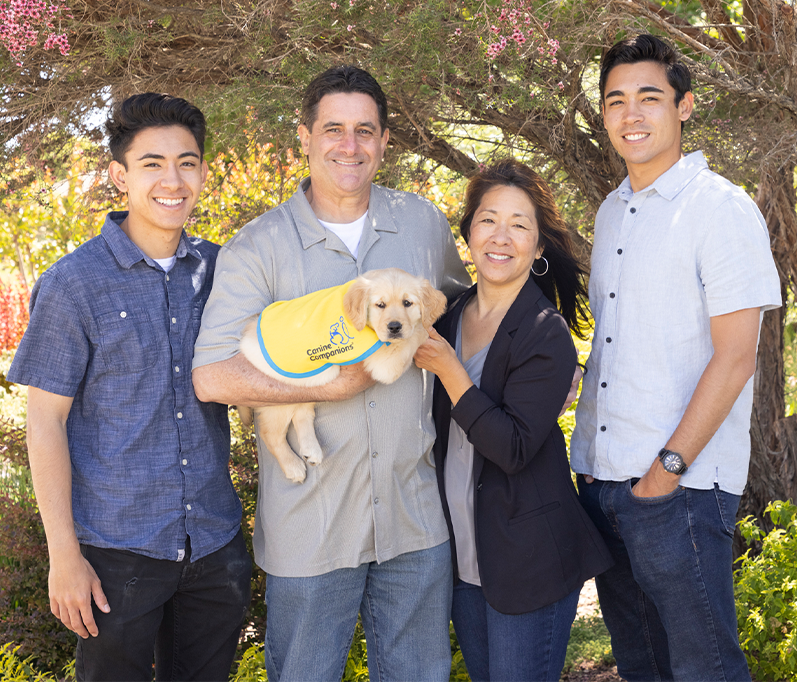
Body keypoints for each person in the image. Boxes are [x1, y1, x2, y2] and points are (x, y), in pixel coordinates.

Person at [191, 65, 472, 681]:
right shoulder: (257, 246)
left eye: (365, 131)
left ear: (385, 141)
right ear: (305, 136)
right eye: (334, 129)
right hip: (310, 526)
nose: (351, 146)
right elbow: (212, 376)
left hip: (413, 518)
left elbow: (464, 311)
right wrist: (326, 387)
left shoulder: (423, 225)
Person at [7, 94, 252, 681]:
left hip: (215, 545)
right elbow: (44, 421)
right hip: (117, 553)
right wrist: (63, 556)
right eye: (152, 164)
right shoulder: (73, 285)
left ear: (202, 171)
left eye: (187, 162)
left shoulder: (225, 272)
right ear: (119, 175)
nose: (173, 180)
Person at [570, 34, 782, 681]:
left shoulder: (720, 208)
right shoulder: (610, 214)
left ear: (683, 106)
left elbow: (736, 356)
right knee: (643, 669)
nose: (630, 114)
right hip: (602, 487)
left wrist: (663, 473)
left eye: (648, 97)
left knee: (704, 670)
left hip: (677, 491)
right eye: (615, 100)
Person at [413, 158, 613, 681]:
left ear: (540, 247)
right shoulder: (447, 316)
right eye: (488, 219)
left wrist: (451, 370)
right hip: (461, 558)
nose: (501, 237)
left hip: (527, 560)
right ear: (469, 231)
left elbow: (513, 448)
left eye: (520, 225)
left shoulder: (545, 333)